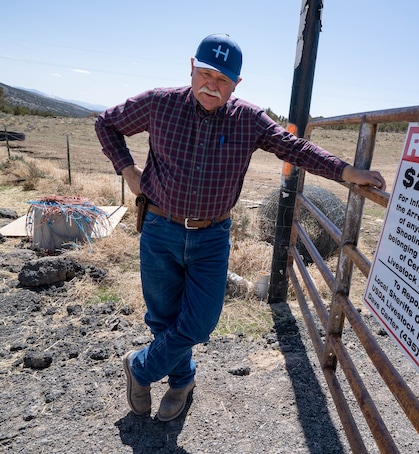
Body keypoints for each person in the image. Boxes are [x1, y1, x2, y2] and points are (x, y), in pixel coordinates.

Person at [95, 33, 385, 421]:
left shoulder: (248, 119)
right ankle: (182, 381)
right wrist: (129, 172)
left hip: (212, 236)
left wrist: (346, 171)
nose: (212, 86)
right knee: (163, 318)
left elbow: (295, 147)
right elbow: (106, 124)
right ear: (192, 68)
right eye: (206, 74)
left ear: (237, 84)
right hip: (160, 229)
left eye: (224, 80)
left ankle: (141, 368)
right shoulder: (159, 104)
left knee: (200, 322)